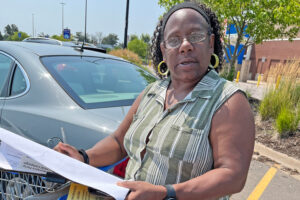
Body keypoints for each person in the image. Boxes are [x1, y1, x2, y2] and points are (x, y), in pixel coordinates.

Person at [54, 2, 255, 200]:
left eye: (196, 36)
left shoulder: (228, 100)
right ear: (164, 50)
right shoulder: (151, 92)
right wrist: (84, 157)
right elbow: (118, 143)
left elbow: (232, 175)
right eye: (174, 40)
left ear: (211, 43)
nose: (185, 45)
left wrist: (165, 193)